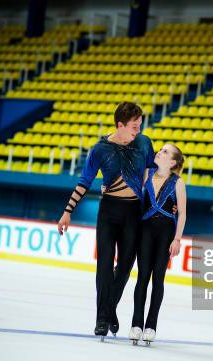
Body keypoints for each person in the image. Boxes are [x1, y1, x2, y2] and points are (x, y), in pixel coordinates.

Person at [57, 102, 155, 338]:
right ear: (119, 125)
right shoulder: (100, 149)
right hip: (109, 211)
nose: (138, 131)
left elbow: (152, 172)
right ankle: (102, 318)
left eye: (140, 125)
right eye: (134, 126)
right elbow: (84, 181)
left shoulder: (144, 143)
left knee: (124, 267)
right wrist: (68, 211)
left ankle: (109, 309)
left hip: (134, 212)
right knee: (104, 265)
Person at [129, 144, 187, 345]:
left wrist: (177, 239)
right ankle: (136, 324)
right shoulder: (147, 173)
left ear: (172, 162)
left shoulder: (178, 183)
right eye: (160, 149)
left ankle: (151, 325)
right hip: (145, 231)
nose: (159, 152)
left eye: (164, 151)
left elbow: (182, 213)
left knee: (158, 279)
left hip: (166, 234)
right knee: (142, 277)